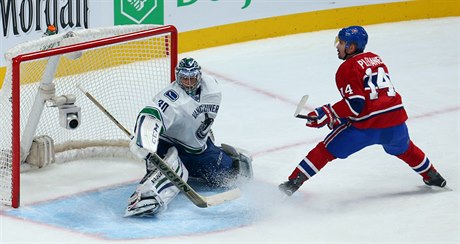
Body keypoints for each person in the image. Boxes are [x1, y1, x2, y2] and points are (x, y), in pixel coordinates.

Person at [279, 26, 447, 196]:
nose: (337, 46)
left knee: (325, 150)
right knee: (406, 149)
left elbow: (356, 104)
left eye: (341, 43)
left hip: (367, 128)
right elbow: (373, 100)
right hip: (395, 122)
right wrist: (340, 119)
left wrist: (328, 112)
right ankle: (433, 176)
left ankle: (291, 184)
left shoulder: (347, 68)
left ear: (351, 47)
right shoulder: (376, 59)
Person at [125, 57, 253, 217]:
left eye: (192, 78)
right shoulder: (171, 98)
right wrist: (143, 138)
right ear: (178, 78)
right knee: (171, 171)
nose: (189, 83)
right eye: (184, 78)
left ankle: (215, 156)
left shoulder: (212, 87)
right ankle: (148, 196)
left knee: (228, 178)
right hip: (170, 147)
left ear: (199, 76)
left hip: (200, 148)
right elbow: (151, 113)